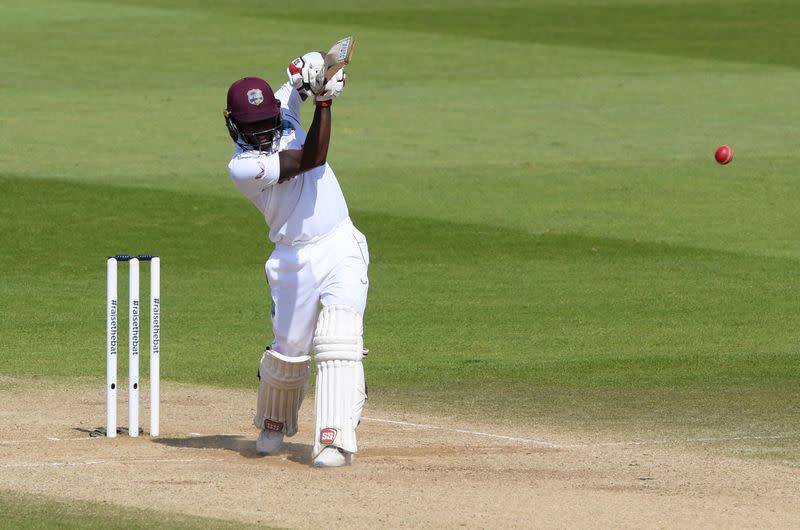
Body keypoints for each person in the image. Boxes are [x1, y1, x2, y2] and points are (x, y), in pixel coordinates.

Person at [223, 52, 369, 467]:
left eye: (267, 121)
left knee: (339, 337)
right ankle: (273, 421)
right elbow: (312, 159)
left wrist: (316, 68)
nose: (262, 130)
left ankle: (333, 440)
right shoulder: (244, 166)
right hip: (294, 259)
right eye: (251, 126)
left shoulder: (282, 107)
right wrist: (324, 103)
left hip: (341, 243)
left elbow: (309, 75)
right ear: (235, 126)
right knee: (289, 348)